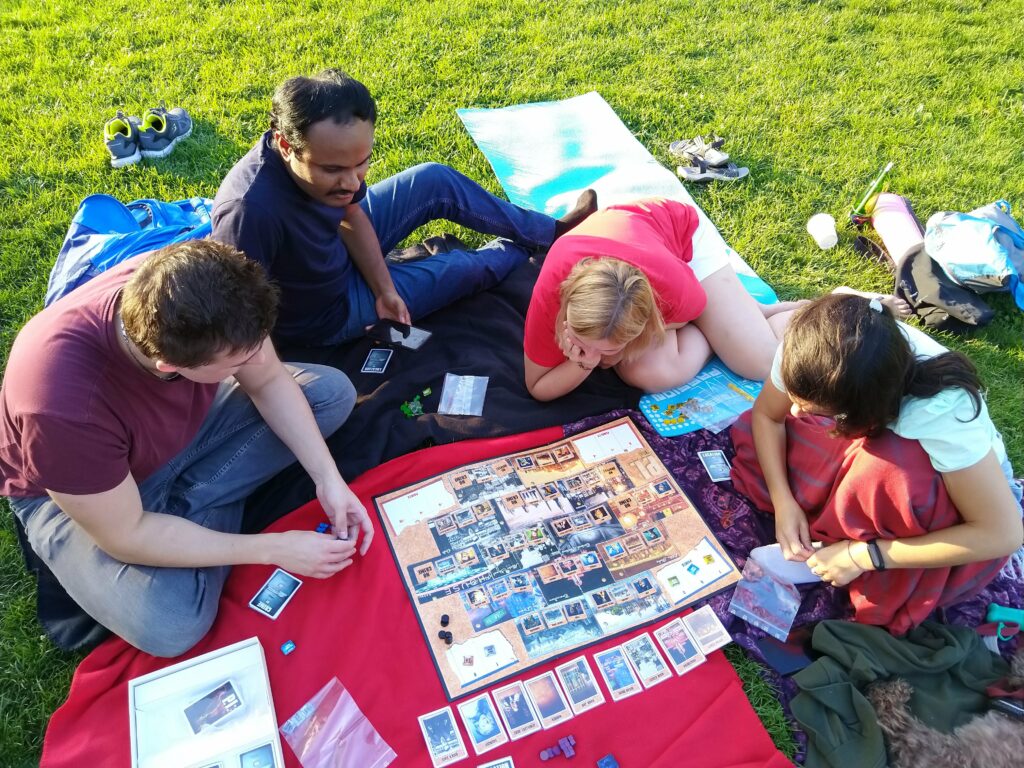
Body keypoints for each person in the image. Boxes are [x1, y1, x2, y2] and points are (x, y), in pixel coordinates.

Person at [0, 240, 371, 657]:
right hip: (78, 499)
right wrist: (271, 549)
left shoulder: (192, 280)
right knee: (172, 624)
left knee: (330, 395)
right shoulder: (61, 408)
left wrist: (328, 479)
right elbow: (126, 534)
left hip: (175, 435)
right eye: (234, 364)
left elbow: (268, 380)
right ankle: (197, 515)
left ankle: (187, 521)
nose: (254, 363)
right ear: (170, 367)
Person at [211, 68, 597, 347]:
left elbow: (351, 214)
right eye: (333, 169)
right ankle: (527, 252)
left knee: (433, 179)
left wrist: (384, 288)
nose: (352, 181)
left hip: (339, 253)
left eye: (361, 162)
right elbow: (240, 323)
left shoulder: (336, 174)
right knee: (465, 266)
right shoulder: (249, 211)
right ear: (285, 145)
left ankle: (551, 232)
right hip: (329, 311)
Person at [749, 292, 1023, 587]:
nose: (794, 410)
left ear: (865, 411)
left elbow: (1001, 533)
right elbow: (767, 415)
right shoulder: (809, 347)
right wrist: (783, 502)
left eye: (820, 411)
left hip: (954, 483)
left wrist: (865, 556)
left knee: (890, 466)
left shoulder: (940, 412)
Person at [522, 197, 803, 400]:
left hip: (683, 243)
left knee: (758, 362)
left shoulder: (670, 286)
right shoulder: (551, 294)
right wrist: (585, 362)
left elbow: (694, 306)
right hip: (634, 239)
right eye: (583, 343)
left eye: (609, 352)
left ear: (645, 319)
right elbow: (538, 387)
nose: (600, 360)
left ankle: (794, 312)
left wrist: (609, 353)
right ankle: (741, 316)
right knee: (650, 371)